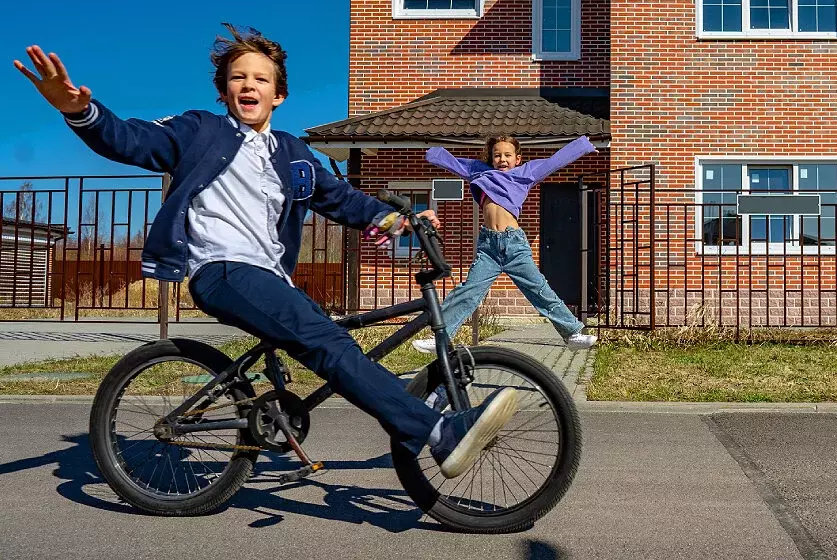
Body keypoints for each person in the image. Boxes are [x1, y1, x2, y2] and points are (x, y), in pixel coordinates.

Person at [13, 26, 517, 479]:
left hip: (270, 277)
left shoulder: (293, 153)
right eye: (238, 78)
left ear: (279, 94)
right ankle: (435, 431)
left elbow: (340, 198)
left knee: (331, 334)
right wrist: (79, 110)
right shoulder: (198, 131)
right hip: (222, 270)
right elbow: (130, 140)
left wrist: (399, 219)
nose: (248, 86)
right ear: (224, 90)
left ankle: (372, 401)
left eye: (260, 78)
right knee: (327, 343)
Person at [412, 134, 598, 354]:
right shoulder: (480, 172)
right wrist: (432, 152)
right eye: (497, 155)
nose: (502, 159)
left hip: (514, 245)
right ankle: (441, 338)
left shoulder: (525, 173)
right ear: (491, 158)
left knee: (538, 289)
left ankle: (572, 332)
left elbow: (553, 162)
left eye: (508, 155)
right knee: (468, 291)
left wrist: (583, 145)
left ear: (517, 159)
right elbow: (454, 163)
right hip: (488, 246)